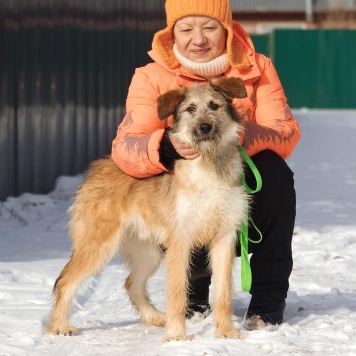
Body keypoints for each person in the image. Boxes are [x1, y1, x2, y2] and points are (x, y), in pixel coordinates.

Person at [111, 0, 301, 330]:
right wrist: (165, 146)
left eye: (209, 27)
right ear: (172, 33)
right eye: (186, 29)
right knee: (178, 186)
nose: (198, 39)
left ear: (225, 29)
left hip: (239, 182)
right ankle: (194, 292)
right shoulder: (151, 77)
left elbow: (286, 132)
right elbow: (125, 147)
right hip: (185, 190)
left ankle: (268, 298)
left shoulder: (256, 67)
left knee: (276, 172)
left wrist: (239, 135)